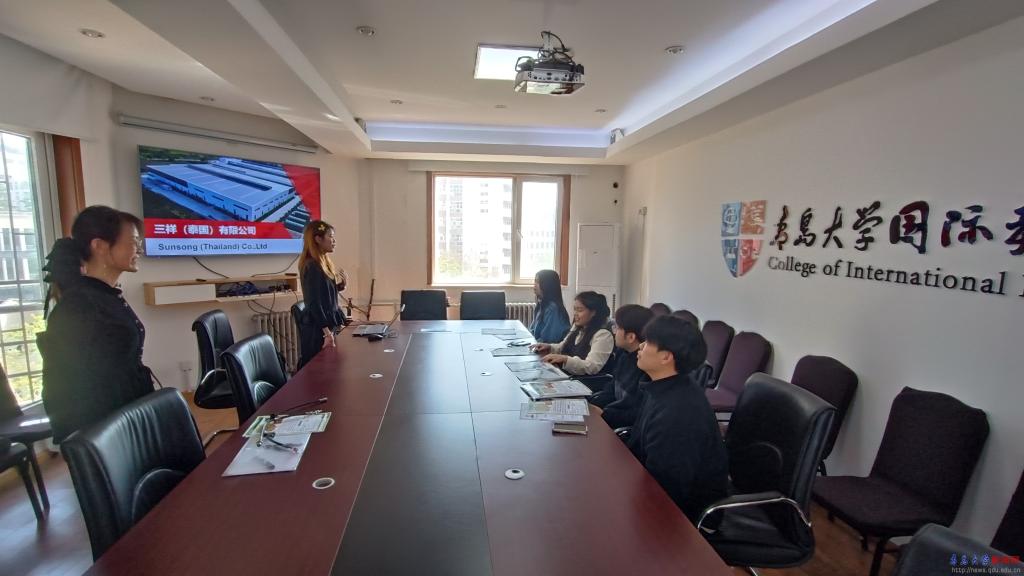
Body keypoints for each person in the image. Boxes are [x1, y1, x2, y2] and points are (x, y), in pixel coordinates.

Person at [38, 206, 154, 442]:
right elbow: (68, 385)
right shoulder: (80, 306)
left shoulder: (105, 296)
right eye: (134, 241)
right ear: (99, 245)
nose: (140, 249)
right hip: (107, 433)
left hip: (128, 419)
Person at [627, 315, 729, 524]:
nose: (641, 346)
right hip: (654, 493)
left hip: (685, 517)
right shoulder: (662, 387)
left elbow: (668, 490)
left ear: (666, 357)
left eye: (648, 342)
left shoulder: (679, 412)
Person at [590, 305, 654, 430]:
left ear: (630, 337)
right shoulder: (623, 353)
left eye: (617, 327)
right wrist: (591, 406)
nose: (614, 331)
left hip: (618, 428)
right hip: (606, 417)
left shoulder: (645, 367)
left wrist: (604, 414)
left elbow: (636, 414)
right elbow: (612, 388)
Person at [297, 220, 348, 369]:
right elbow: (314, 303)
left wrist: (340, 286)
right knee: (319, 371)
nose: (334, 241)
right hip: (318, 330)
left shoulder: (322, 263)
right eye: (330, 236)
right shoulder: (312, 265)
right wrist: (327, 333)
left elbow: (322, 292)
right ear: (318, 239)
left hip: (325, 327)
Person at [532, 291, 613, 376]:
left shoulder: (603, 335)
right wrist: (549, 347)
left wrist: (565, 359)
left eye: (580, 310)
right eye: (575, 309)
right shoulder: (578, 327)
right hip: (566, 375)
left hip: (582, 381)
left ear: (593, 312)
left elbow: (592, 367)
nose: (575, 314)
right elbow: (563, 346)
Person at [529, 269, 570, 344]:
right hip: (539, 345)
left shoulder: (553, 309)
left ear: (548, 285)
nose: (534, 285)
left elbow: (548, 340)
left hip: (549, 349)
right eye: (535, 281)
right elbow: (532, 331)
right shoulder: (541, 305)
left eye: (538, 282)